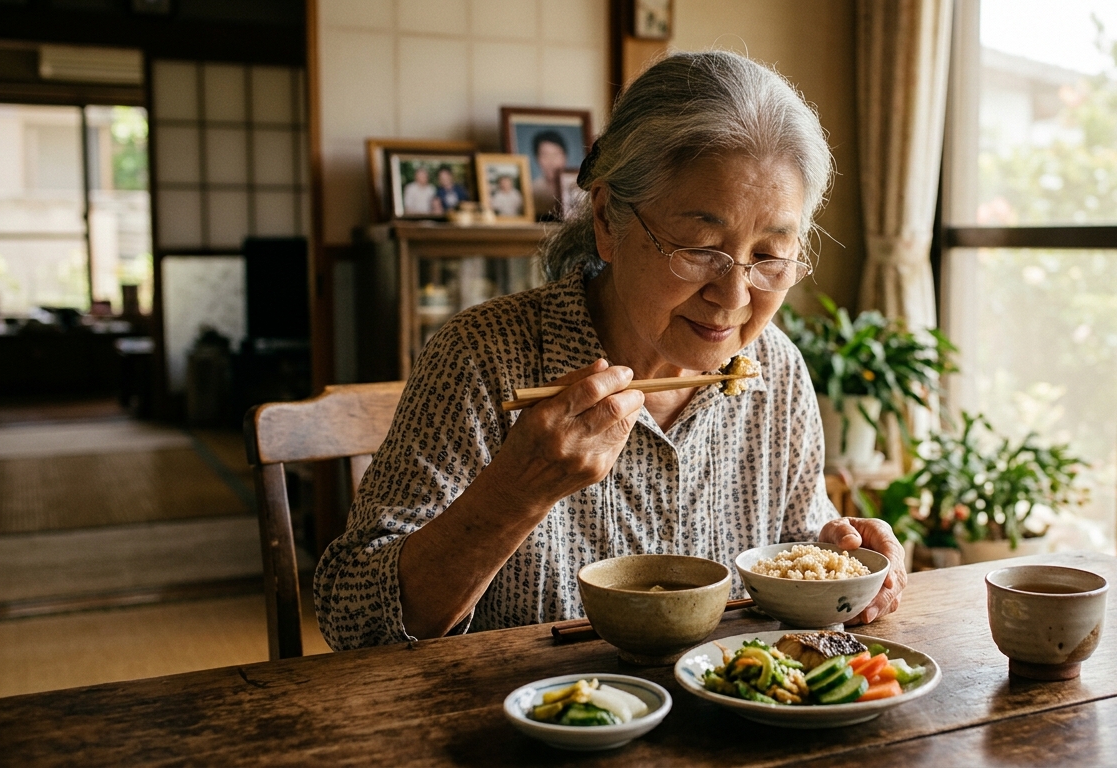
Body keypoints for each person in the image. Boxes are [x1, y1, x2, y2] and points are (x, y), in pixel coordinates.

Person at [315, 50, 907, 650]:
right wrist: (513, 495)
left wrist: (840, 564)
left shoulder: (774, 370)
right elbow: (353, 622)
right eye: (699, 247)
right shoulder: (484, 358)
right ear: (606, 220)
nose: (733, 296)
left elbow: (798, 546)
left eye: (770, 255)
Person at [530, 129, 569, 217]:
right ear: (537, 158)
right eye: (545, 155)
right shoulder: (532, 190)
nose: (551, 162)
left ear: (565, 157)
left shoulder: (578, 188)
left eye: (556, 154)